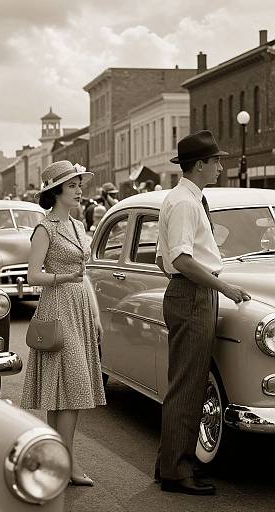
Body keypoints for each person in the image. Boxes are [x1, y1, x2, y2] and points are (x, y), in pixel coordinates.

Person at [155, 130, 251, 495]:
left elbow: (169, 257)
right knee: (188, 383)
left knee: (185, 381)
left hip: (192, 292)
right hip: (194, 293)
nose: (221, 167)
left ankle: (169, 463)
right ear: (200, 165)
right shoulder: (185, 203)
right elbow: (180, 259)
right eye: (216, 161)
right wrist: (222, 287)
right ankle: (177, 472)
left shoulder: (186, 199)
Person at [20, 160, 106, 487]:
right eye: (72, 186)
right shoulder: (46, 227)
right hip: (56, 307)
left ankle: (56, 460)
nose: (79, 190)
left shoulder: (77, 225)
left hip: (80, 307)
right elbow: (32, 275)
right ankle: (65, 462)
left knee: (64, 391)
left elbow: (85, 275)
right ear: (56, 191)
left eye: (79, 185)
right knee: (70, 386)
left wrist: (95, 315)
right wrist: (64, 276)